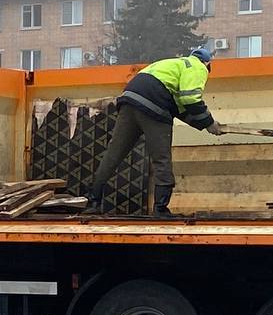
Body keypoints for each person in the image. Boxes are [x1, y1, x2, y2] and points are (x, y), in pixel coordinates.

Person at [86, 46, 225, 216]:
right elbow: (190, 99)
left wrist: (204, 125)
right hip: (154, 103)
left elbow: (180, 108)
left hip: (130, 99)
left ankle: (93, 200)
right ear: (207, 63)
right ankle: (160, 209)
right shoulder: (196, 66)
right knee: (161, 158)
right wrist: (209, 122)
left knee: (114, 153)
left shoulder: (169, 65)